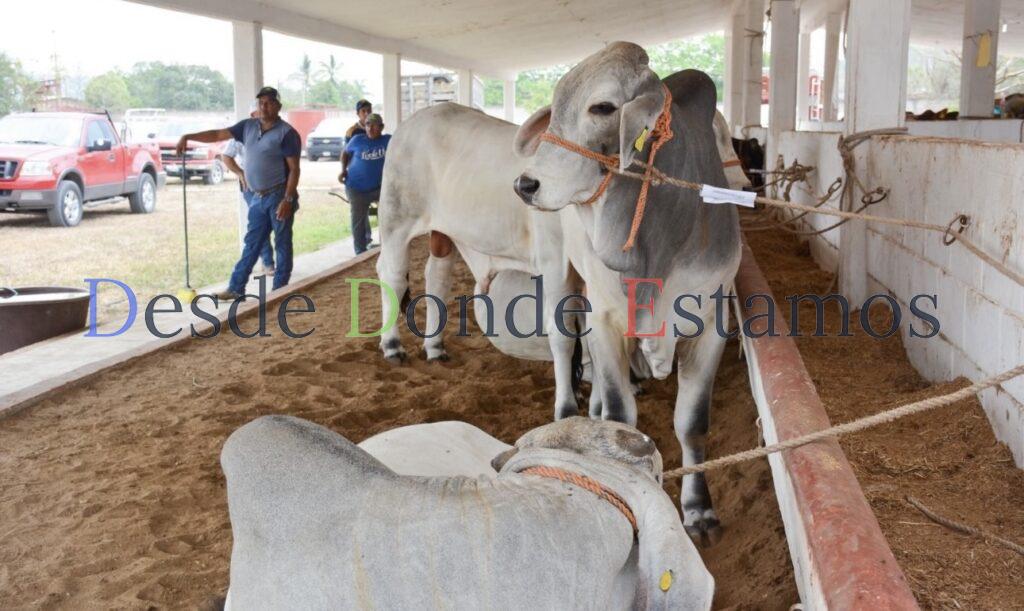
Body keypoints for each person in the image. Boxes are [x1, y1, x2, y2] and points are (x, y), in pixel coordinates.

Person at [177, 86, 301, 300]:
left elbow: (294, 169)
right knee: (252, 243)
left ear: (278, 106)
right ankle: (236, 287)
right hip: (256, 196)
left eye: (270, 102)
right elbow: (217, 134)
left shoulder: (287, 133)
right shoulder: (247, 126)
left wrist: (288, 199)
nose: (264, 106)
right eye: (261, 102)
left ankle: (279, 290)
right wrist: (188, 136)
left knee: (282, 241)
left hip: (279, 195)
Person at [220, 116, 274, 275]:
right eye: (256, 113)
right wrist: (240, 173)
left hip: (272, 185)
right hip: (249, 186)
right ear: (252, 116)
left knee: (271, 222)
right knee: (259, 222)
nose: (260, 115)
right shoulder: (242, 134)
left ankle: (271, 262)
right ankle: (267, 261)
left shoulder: (275, 132)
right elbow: (226, 156)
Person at [339, 113, 389, 255]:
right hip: (356, 188)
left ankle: (386, 247)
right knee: (358, 221)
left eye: (374, 125)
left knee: (388, 216)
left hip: (380, 188)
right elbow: (344, 153)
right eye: (368, 125)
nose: (370, 128)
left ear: (381, 127)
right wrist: (343, 171)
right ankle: (360, 251)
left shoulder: (388, 140)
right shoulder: (356, 140)